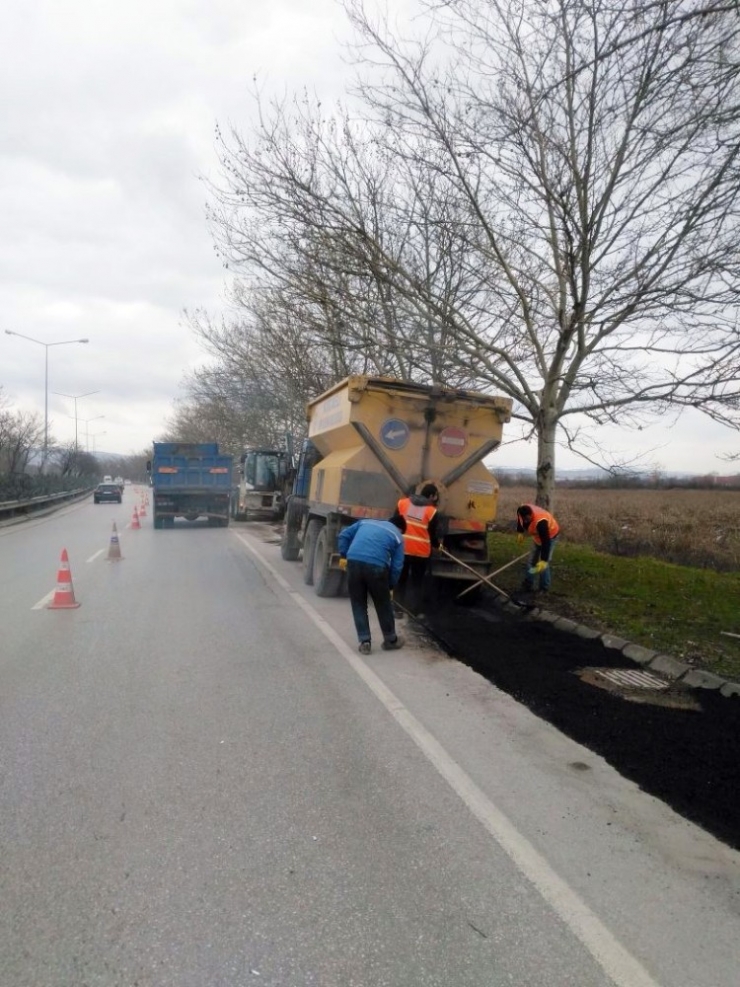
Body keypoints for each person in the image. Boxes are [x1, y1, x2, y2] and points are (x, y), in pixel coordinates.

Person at [338, 515, 406, 655]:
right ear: (400, 528)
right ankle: (390, 640)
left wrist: (344, 555)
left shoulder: (364, 522)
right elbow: (397, 565)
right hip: (377, 566)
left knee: (358, 603)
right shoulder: (397, 535)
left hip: (354, 561)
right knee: (383, 604)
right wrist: (390, 585)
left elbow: (343, 535)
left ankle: (365, 642)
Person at [392, 483, 441, 617]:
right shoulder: (431, 511)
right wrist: (438, 546)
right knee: (417, 581)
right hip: (420, 552)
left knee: (401, 578)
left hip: (402, 548)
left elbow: (394, 522)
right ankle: (414, 611)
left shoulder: (403, 503)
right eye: (435, 496)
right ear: (431, 496)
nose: (435, 499)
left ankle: (397, 609)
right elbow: (432, 534)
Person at [516, 503, 560, 593]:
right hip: (537, 538)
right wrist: (520, 531)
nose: (525, 521)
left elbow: (545, 542)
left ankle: (544, 588)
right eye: (523, 519)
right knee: (531, 562)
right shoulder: (521, 511)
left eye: (526, 519)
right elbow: (520, 520)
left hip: (550, 536)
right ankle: (528, 584)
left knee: (542, 565)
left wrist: (544, 559)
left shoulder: (541, 522)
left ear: (530, 515)